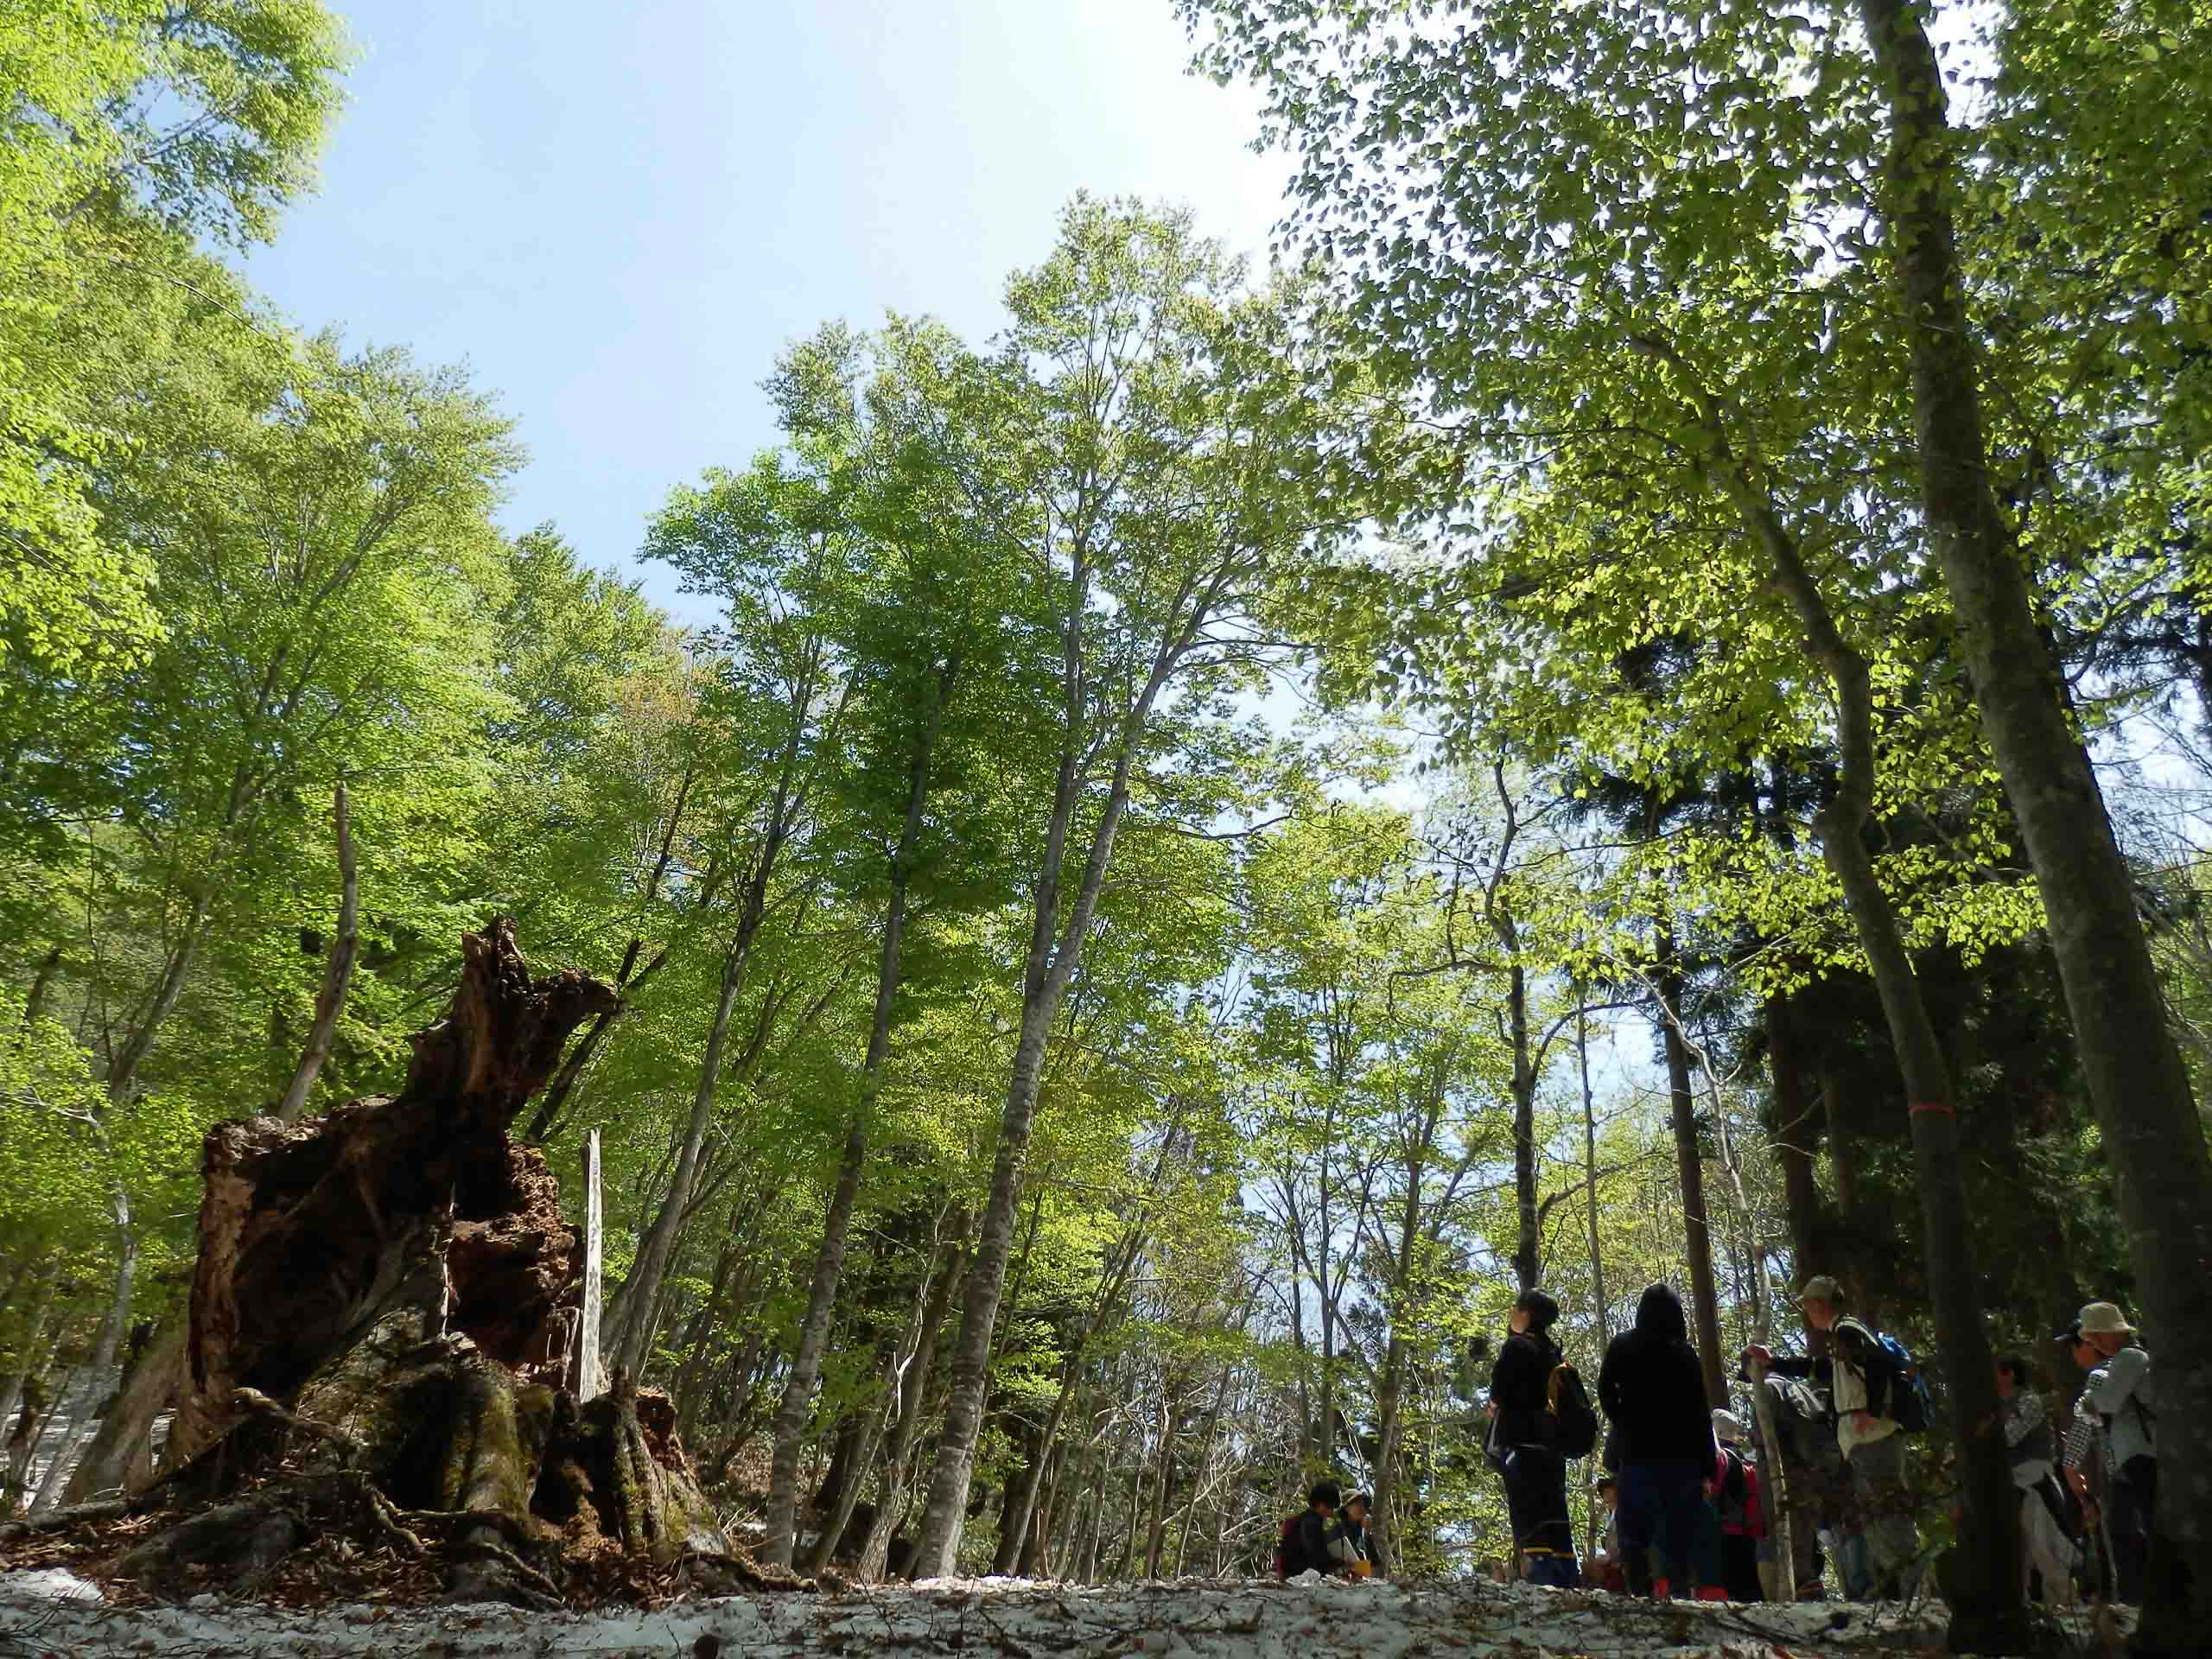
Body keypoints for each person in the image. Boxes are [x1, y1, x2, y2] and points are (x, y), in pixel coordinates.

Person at [1747, 1275, 1920, 1601]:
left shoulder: (1847, 1331)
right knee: (1877, 1519)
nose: (1807, 1314)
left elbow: (1877, 1364)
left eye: (1808, 1306)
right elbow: (1820, 1368)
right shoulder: (1842, 1335)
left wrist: (1864, 1410)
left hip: (1873, 1440)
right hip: (1865, 1442)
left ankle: (1917, 1595)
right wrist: (1776, 1362)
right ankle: (1904, 1595)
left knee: (1888, 1517)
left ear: (1818, 1304)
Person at [1598, 1283, 1714, 1599]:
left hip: (1637, 1454)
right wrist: (1707, 1468)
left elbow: (1605, 1387)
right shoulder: (1685, 1355)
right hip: (1682, 1458)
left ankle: (1639, 1592)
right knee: (1677, 1531)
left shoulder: (1623, 1346)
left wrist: (1621, 1420)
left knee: (1634, 1528)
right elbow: (1700, 1414)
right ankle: (1678, 1594)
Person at [1488, 1289, 1581, 1587]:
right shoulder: (1556, 1354)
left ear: (1526, 1313)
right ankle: (1567, 1579)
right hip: (1553, 1449)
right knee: (1556, 1515)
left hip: (1522, 1445)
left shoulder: (1516, 1347)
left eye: (1516, 1309)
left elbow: (1499, 1393)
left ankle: (1541, 1583)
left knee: (1530, 1517)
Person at [2078, 1301, 2155, 1603]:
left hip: (2141, 1453)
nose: (2095, 1343)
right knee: (2131, 1528)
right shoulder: (2125, 1360)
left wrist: (2090, 1399)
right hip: (2133, 1455)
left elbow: (2105, 1403)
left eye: (2097, 1335)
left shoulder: (2129, 1357)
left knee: (2141, 1526)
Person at [1996, 1354, 2077, 1607]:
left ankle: (2065, 1606)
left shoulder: (2028, 1401)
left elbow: (2008, 1437)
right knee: (2017, 1547)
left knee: (2045, 1544)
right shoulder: (1997, 1407)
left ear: (2009, 1373)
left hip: (2034, 1479)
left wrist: (1987, 1431)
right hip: (2011, 1482)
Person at [2056, 1319, 2113, 1603]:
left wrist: (2069, 1464)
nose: (2074, 1354)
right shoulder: (2124, 1370)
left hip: (2122, 1469)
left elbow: (2082, 1426)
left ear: (2090, 1344)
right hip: (2132, 1463)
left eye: (2075, 1347)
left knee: (2122, 1543)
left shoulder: (2098, 1376)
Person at [1710, 1408, 1767, 1602]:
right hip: (1749, 1533)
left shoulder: (1723, 1459)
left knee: (1735, 1593)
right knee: (1751, 1590)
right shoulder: (1745, 1459)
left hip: (1727, 1532)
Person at [1279, 1479, 1355, 1578]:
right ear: (1321, 1505)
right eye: (1330, 1507)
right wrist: (1340, 1562)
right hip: (1299, 1576)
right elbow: (1316, 1554)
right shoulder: (1311, 1522)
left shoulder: (1306, 1519)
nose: (1331, 1512)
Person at [1583, 1476, 1627, 1593]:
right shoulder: (1610, 1517)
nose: (1606, 1494)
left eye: (1609, 1490)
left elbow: (1623, 1544)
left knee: (1591, 1567)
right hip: (1612, 1562)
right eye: (1604, 1491)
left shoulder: (1622, 1514)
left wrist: (1606, 1559)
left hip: (1622, 1564)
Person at [1333, 1491, 1378, 1577]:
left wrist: (1366, 1533)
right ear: (1347, 1508)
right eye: (1358, 1504)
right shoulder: (1338, 1529)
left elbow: (1375, 1562)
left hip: (1364, 1580)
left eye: (1363, 1504)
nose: (1362, 1508)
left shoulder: (1364, 1529)